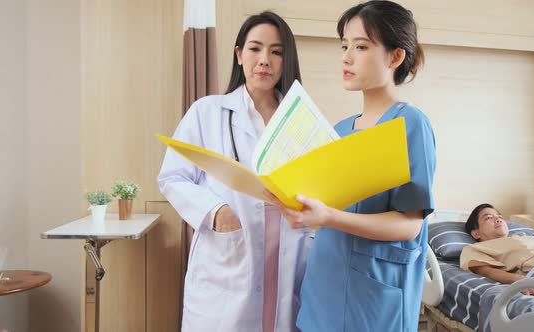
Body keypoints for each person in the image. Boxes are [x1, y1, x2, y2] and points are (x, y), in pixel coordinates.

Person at [265, 2, 435, 331]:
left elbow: (409, 226)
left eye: (361, 46)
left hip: (371, 303)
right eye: (344, 45)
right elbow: (324, 209)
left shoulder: (410, 125)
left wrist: (328, 217)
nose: (346, 57)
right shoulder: (339, 130)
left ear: (395, 56)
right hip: (322, 291)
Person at [158, 11, 314, 332]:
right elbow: (172, 177)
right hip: (230, 257)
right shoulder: (208, 112)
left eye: (276, 51)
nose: (264, 60)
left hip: (288, 256)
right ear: (239, 54)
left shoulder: (301, 121)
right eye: (255, 49)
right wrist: (215, 211)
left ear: (286, 60)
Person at [461, 203, 534, 298]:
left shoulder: (524, 237)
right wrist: (521, 281)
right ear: (476, 233)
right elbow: (486, 271)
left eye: (500, 217)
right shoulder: (474, 248)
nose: (498, 220)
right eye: (488, 218)